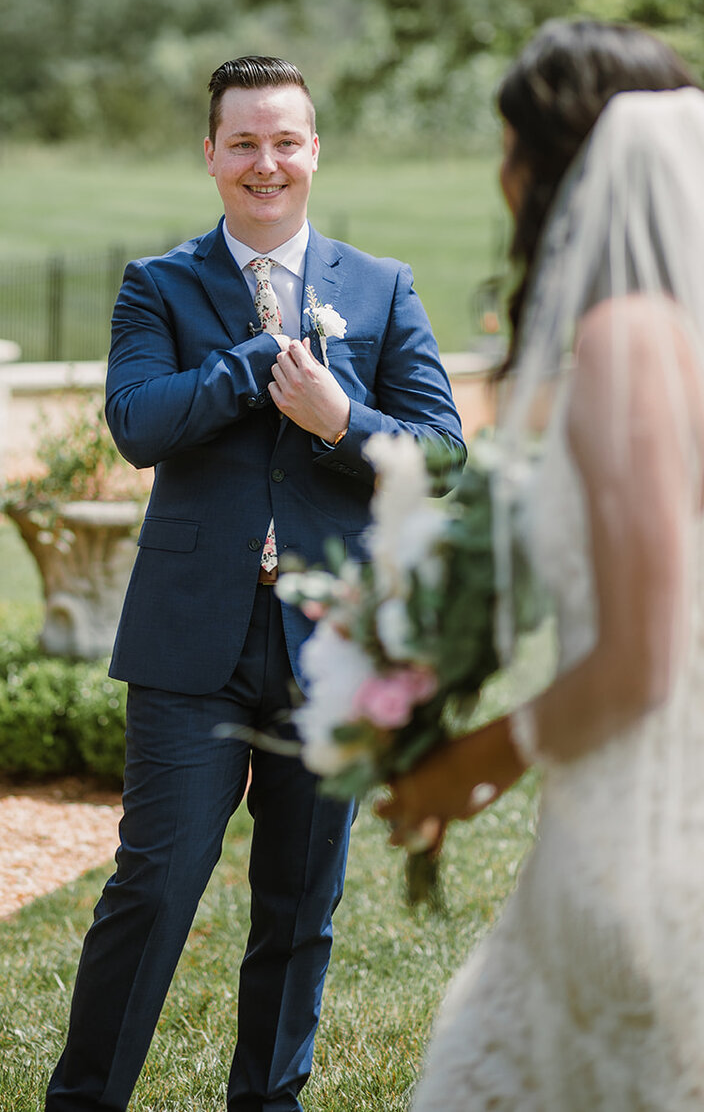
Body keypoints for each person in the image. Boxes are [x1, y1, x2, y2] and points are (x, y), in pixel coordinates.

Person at [44, 55, 465, 1112]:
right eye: (244, 142)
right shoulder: (159, 286)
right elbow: (137, 425)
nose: (265, 162)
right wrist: (255, 363)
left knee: (299, 904)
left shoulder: (381, 287)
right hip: (192, 647)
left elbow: (444, 456)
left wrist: (343, 423)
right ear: (211, 155)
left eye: (285, 140)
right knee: (152, 890)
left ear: (314, 151)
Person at [378, 19, 704, 1110]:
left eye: (510, 145)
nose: (500, 174)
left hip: (632, 850)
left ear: (553, 167)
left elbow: (641, 661)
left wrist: (473, 758)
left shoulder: (624, 343)